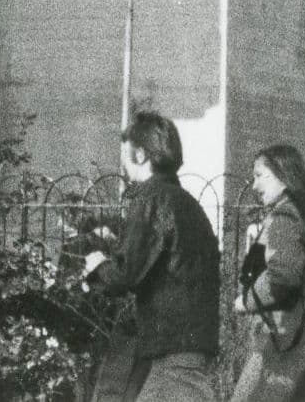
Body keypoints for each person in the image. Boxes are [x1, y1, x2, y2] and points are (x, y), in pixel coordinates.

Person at [83, 109, 222, 402]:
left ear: (141, 155)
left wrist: (96, 268)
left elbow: (126, 273)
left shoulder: (151, 199)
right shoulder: (187, 203)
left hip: (171, 348)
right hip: (190, 344)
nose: (122, 162)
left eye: (125, 152)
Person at [232, 143, 305, 402]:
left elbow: (282, 278)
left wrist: (245, 302)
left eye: (260, 175)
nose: (254, 185)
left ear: (283, 177)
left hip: (292, 341)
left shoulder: (284, 216)